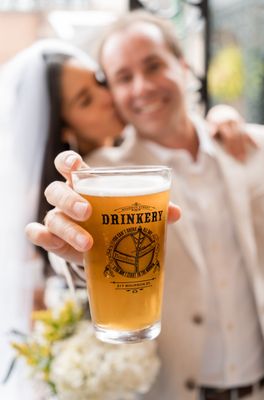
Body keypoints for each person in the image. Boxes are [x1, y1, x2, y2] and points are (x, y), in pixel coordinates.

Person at [26, 11, 264, 400]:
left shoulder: (254, 147)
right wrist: (72, 253)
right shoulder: (100, 178)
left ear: (184, 66)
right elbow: (76, 244)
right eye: (123, 77)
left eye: (154, 65)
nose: (142, 87)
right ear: (115, 95)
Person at [0, 39, 125, 399]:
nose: (108, 96)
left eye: (100, 81)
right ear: (64, 128)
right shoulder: (55, 200)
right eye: (85, 100)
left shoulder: (129, 157)